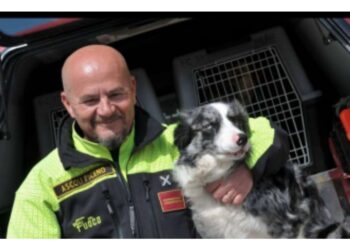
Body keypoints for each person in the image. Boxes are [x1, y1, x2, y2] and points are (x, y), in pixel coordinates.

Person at [6, 45, 289, 238]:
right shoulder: (41, 185)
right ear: (68, 104)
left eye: (116, 95)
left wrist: (248, 167)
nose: (105, 110)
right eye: (90, 100)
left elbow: (267, 133)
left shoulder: (178, 141)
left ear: (132, 87)